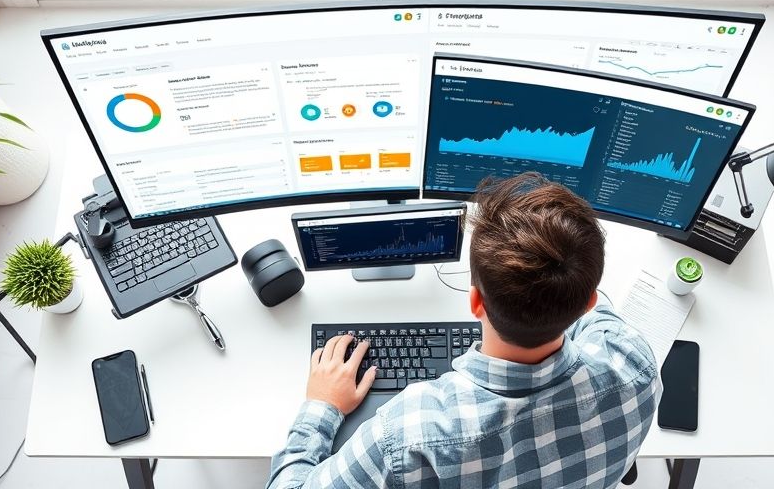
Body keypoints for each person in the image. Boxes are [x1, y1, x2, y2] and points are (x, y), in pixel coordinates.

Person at [268, 172, 659, 488]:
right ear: (586, 302)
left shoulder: (407, 436)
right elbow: (600, 313)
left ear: (475, 302)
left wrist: (322, 405)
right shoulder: (633, 362)